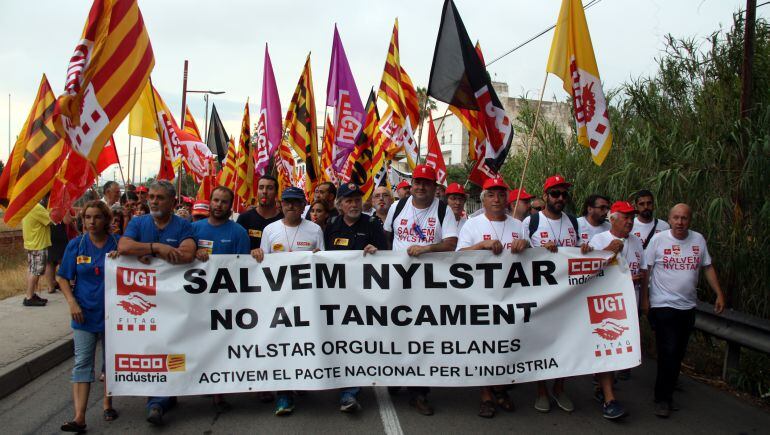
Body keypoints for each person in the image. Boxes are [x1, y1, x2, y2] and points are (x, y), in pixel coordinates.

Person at [117, 180, 197, 426]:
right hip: (147, 302)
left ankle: (166, 395)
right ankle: (157, 401)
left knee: (173, 348)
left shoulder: (184, 225)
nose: (152, 201)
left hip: (177, 304)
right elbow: (123, 246)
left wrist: (149, 253)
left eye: (159, 197)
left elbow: (186, 254)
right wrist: (157, 247)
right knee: (153, 349)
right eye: (151, 196)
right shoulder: (139, 223)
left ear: (173, 202)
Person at [383, 164, 458, 416]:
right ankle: (396, 375)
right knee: (396, 330)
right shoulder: (398, 206)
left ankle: (420, 392)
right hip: (398, 282)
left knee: (423, 335)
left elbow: (451, 244)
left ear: (435, 187)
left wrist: (426, 248)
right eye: (417, 182)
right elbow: (386, 237)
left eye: (427, 182)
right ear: (411, 184)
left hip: (429, 285)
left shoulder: (443, 210)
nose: (421, 187)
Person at [644, 203, 725, 418]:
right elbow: (646, 270)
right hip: (663, 305)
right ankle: (662, 399)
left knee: (678, 352)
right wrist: (645, 300)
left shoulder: (698, 240)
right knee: (668, 351)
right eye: (676, 218)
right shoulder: (658, 240)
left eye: (684, 218)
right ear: (669, 220)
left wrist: (719, 293)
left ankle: (667, 391)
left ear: (690, 220)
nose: (680, 222)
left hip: (688, 306)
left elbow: (707, 266)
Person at [456, 177, 528, 418]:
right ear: (483, 198)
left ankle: (501, 388)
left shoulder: (519, 224)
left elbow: (536, 256)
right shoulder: (472, 225)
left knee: (506, 344)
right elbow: (458, 257)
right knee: (484, 346)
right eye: (491, 195)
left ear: (507, 197)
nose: (497, 199)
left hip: (511, 295)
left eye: (501, 194)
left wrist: (525, 243)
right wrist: (481, 246)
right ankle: (486, 393)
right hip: (481, 296)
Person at [252, 186, 324, 416]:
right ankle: (283, 394)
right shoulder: (269, 229)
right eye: (286, 202)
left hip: (306, 299)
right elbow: (262, 261)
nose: (290, 206)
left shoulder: (314, 230)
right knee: (282, 345)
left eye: (295, 202)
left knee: (303, 344)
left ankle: (302, 381)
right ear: (280, 205)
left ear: (304, 206)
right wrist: (256, 255)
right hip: (278, 299)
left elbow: (325, 261)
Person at [522, 174, 591, 413]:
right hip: (539, 295)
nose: (560, 198)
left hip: (569, 295)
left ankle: (560, 388)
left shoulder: (574, 222)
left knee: (567, 342)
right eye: (555, 193)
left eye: (564, 194)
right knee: (541, 342)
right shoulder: (531, 222)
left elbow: (583, 250)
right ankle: (541, 390)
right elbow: (520, 255)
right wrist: (539, 250)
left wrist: (585, 249)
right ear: (545, 196)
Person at [324, 183, 388, 412]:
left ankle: (352, 389)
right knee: (344, 343)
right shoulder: (331, 225)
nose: (354, 204)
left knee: (362, 341)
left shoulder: (372, 224)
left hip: (367, 296)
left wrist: (377, 253)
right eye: (349, 200)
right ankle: (347, 389)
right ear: (339, 204)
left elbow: (388, 257)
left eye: (357, 200)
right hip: (338, 296)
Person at [56, 201, 119, 433]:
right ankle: (79, 416)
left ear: (106, 220)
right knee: (82, 362)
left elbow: (142, 262)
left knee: (110, 362)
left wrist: (125, 256)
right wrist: (72, 302)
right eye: (87, 217)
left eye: (97, 217)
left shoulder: (118, 244)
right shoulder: (76, 245)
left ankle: (107, 403)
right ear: (82, 221)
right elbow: (62, 277)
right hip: (83, 314)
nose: (92, 222)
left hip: (113, 315)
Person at [588, 201, 649, 420]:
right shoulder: (599, 240)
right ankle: (609, 399)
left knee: (619, 351)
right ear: (613, 219)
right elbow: (589, 270)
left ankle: (602, 387)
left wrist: (644, 301)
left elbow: (643, 271)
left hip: (631, 304)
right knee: (609, 349)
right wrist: (607, 253)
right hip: (607, 305)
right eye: (625, 217)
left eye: (632, 217)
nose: (630, 221)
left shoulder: (637, 242)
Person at [192, 186, 250, 412]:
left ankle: (219, 391)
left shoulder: (238, 233)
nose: (218, 205)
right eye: (215, 200)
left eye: (224, 202)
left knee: (221, 345)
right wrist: (192, 252)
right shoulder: (193, 229)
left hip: (225, 302)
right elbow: (181, 255)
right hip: (196, 300)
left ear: (230, 205)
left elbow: (243, 268)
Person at [237, 175, 284, 252]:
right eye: (261, 187)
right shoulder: (244, 218)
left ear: (276, 193)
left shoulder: (283, 219)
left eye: (270, 188)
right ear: (257, 191)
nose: (264, 191)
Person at [22, 201, 56, 306]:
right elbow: (51, 221)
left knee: (32, 269)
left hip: (31, 242)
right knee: (36, 271)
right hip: (38, 244)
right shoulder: (36, 207)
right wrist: (52, 208)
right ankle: (29, 297)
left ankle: (30, 294)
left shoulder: (27, 205)